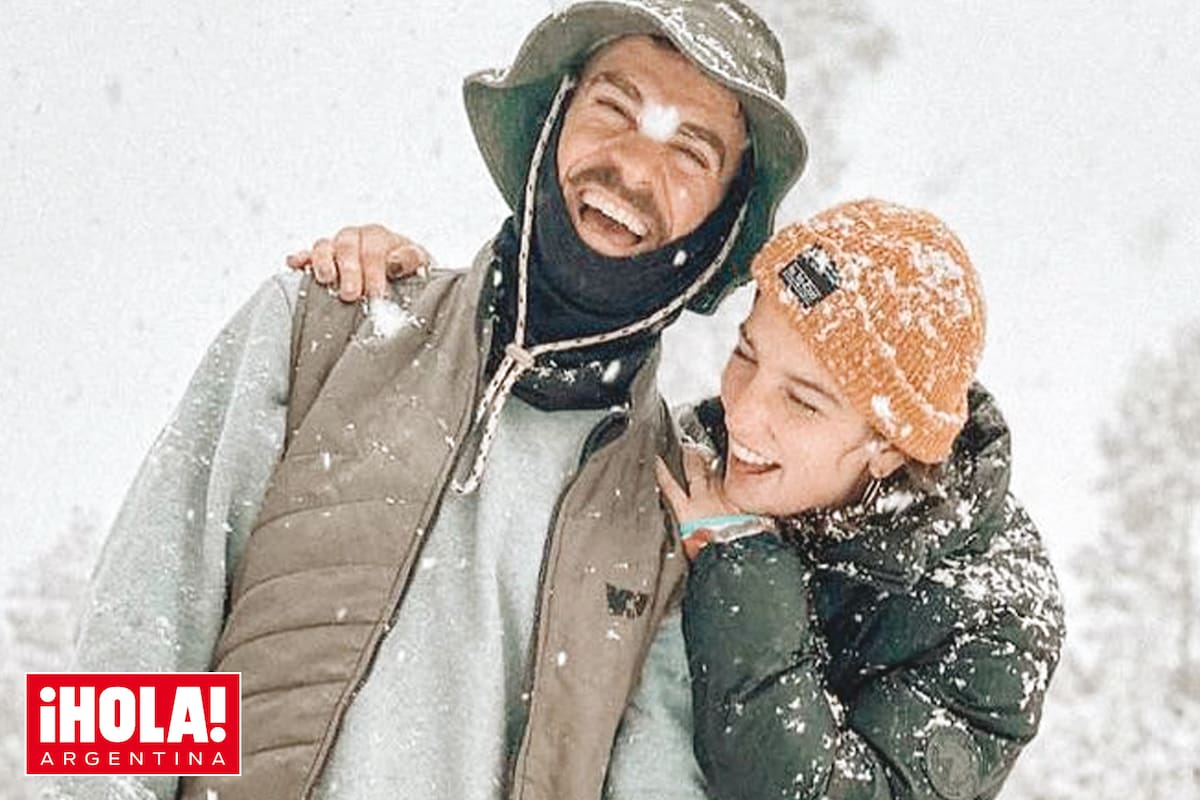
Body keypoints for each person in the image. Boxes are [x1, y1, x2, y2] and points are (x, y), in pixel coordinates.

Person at [51, 2, 808, 800]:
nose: (631, 165)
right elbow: (135, 644)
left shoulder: (675, 513)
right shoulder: (321, 327)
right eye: (614, 108)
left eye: (690, 151)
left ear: (726, 222)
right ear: (553, 121)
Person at [653, 199, 1066, 799]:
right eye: (747, 354)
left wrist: (742, 566)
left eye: (802, 400)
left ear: (890, 448)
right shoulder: (690, 455)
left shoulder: (995, 617)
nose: (741, 411)